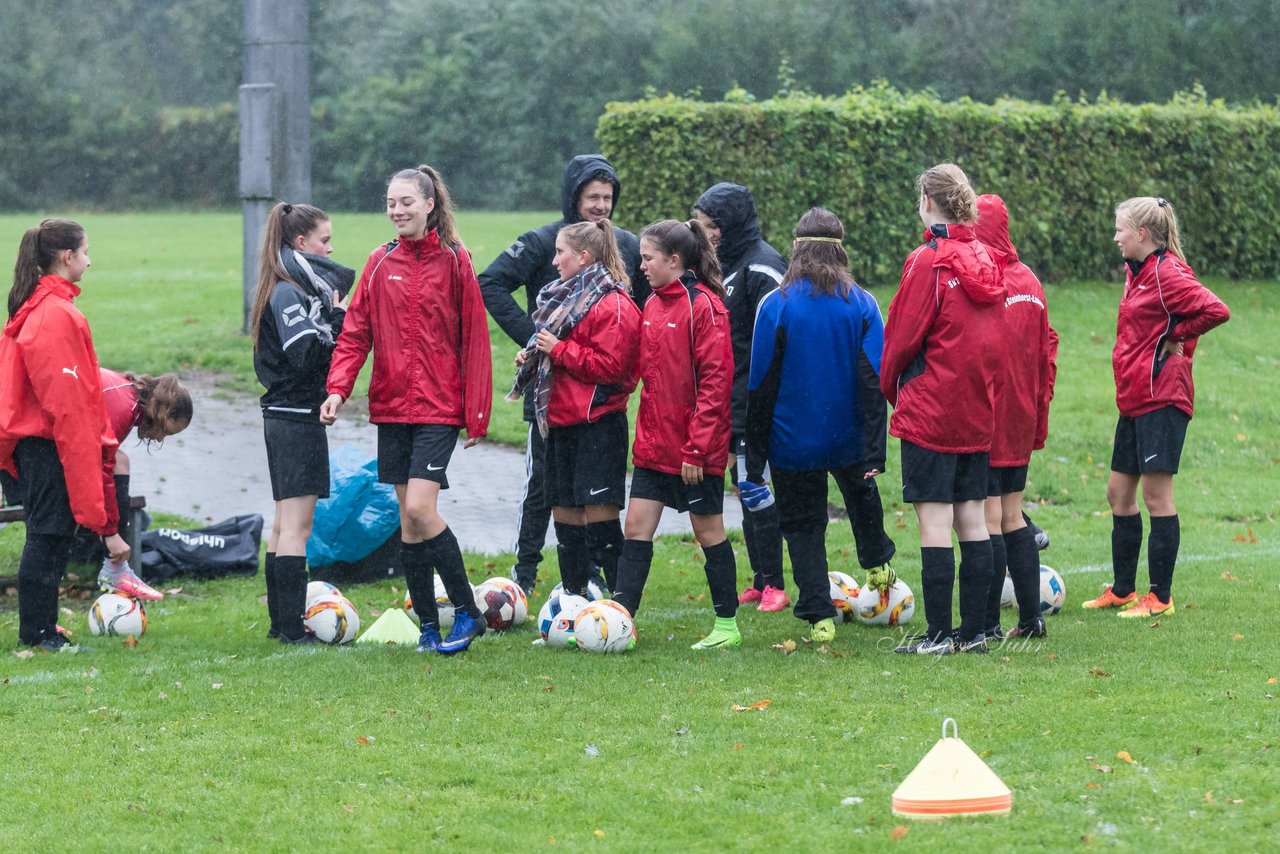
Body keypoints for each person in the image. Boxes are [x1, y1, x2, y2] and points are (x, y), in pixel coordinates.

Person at [322, 165, 492, 655]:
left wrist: (476, 413)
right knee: (408, 519)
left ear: (429, 205)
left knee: (421, 508)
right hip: (393, 407)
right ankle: (429, 629)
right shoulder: (378, 263)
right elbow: (356, 333)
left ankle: (467, 611)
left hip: (439, 408)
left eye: (406, 202)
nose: (397, 211)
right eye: (391, 203)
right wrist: (338, 388)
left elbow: (474, 340)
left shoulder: (457, 261)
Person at [479, 154, 644, 595]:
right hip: (550, 393)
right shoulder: (542, 241)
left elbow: (639, 315)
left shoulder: (626, 245)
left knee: (594, 496)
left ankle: (597, 579)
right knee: (546, 488)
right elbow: (489, 282)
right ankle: (526, 571)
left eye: (608, 197)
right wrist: (533, 341)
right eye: (593, 197)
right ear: (573, 197)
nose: (601, 206)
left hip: (597, 403)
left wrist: (631, 355)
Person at [743, 208, 896, 643]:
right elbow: (874, 380)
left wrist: (754, 457)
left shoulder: (776, 304)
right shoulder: (863, 303)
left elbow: (760, 383)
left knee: (803, 524)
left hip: (792, 443)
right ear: (841, 249)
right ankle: (878, 564)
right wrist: (874, 450)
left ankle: (820, 616)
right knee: (862, 495)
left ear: (795, 249)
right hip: (847, 438)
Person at [1083, 196, 1229, 618]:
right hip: (1134, 397)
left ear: (1142, 234)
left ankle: (1160, 598)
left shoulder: (1168, 273)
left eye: (1120, 230)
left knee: (1156, 495)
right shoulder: (1138, 273)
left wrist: (1177, 335)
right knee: (1117, 494)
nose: (1115, 237)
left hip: (1162, 397)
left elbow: (1217, 309)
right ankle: (1124, 589)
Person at [880, 164, 1003, 655]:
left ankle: (938, 636)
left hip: (932, 409)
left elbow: (901, 337)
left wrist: (893, 388)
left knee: (934, 524)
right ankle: (974, 633)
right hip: (976, 406)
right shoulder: (986, 256)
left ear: (929, 203)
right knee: (972, 520)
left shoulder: (928, 260)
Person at [610, 219, 740, 650]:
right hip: (653, 447)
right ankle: (619, 624)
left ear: (675, 260)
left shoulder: (704, 306)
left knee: (708, 533)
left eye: (648, 258)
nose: (641, 265)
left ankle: (727, 626)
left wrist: (698, 449)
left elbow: (716, 384)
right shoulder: (651, 303)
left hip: (692, 454)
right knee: (635, 528)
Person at [0, 219, 125, 651]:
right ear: (67, 256)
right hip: (47, 444)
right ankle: (37, 633)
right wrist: (85, 451)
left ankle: (44, 628)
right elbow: (67, 400)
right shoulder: (55, 314)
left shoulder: (41, 306)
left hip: (38, 443)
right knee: (48, 536)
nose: (90, 260)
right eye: (86, 251)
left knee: (50, 534)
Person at [508, 220, 641, 597]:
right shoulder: (561, 298)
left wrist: (559, 350)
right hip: (559, 424)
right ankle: (574, 598)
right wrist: (533, 356)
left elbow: (613, 371)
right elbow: (550, 346)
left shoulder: (614, 304)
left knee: (600, 519)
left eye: (560, 252)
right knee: (563, 515)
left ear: (583, 257)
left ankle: (621, 605)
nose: (554, 262)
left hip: (598, 426)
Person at [250, 202, 353, 643]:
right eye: (324, 241)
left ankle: (281, 625)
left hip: (287, 417)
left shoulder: (291, 286)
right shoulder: (289, 291)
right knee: (296, 527)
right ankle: (292, 629)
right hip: (294, 418)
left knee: (282, 524)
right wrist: (338, 318)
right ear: (300, 243)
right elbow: (306, 358)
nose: (331, 250)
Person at [691, 182, 792, 612]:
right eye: (700, 223)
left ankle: (775, 585)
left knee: (755, 487)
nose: (704, 232)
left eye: (711, 225)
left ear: (730, 225)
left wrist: (761, 398)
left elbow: (780, 339)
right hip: (727, 402)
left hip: (758, 402)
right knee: (743, 487)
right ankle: (757, 578)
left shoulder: (764, 267)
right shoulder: (715, 266)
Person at [973, 194, 1057, 640]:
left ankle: (985, 624)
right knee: (1013, 516)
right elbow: (1047, 349)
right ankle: (1030, 619)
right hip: (1022, 414)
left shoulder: (983, 281)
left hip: (987, 416)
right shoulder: (1030, 280)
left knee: (988, 521)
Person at [97, 368, 193, 601]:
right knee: (53, 530)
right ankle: (114, 568)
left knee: (120, 461)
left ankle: (116, 569)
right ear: (162, 411)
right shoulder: (123, 409)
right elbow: (99, 469)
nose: (160, 439)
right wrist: (110, 533)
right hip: (26, 441)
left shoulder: (130, 398)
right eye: (166, 432)